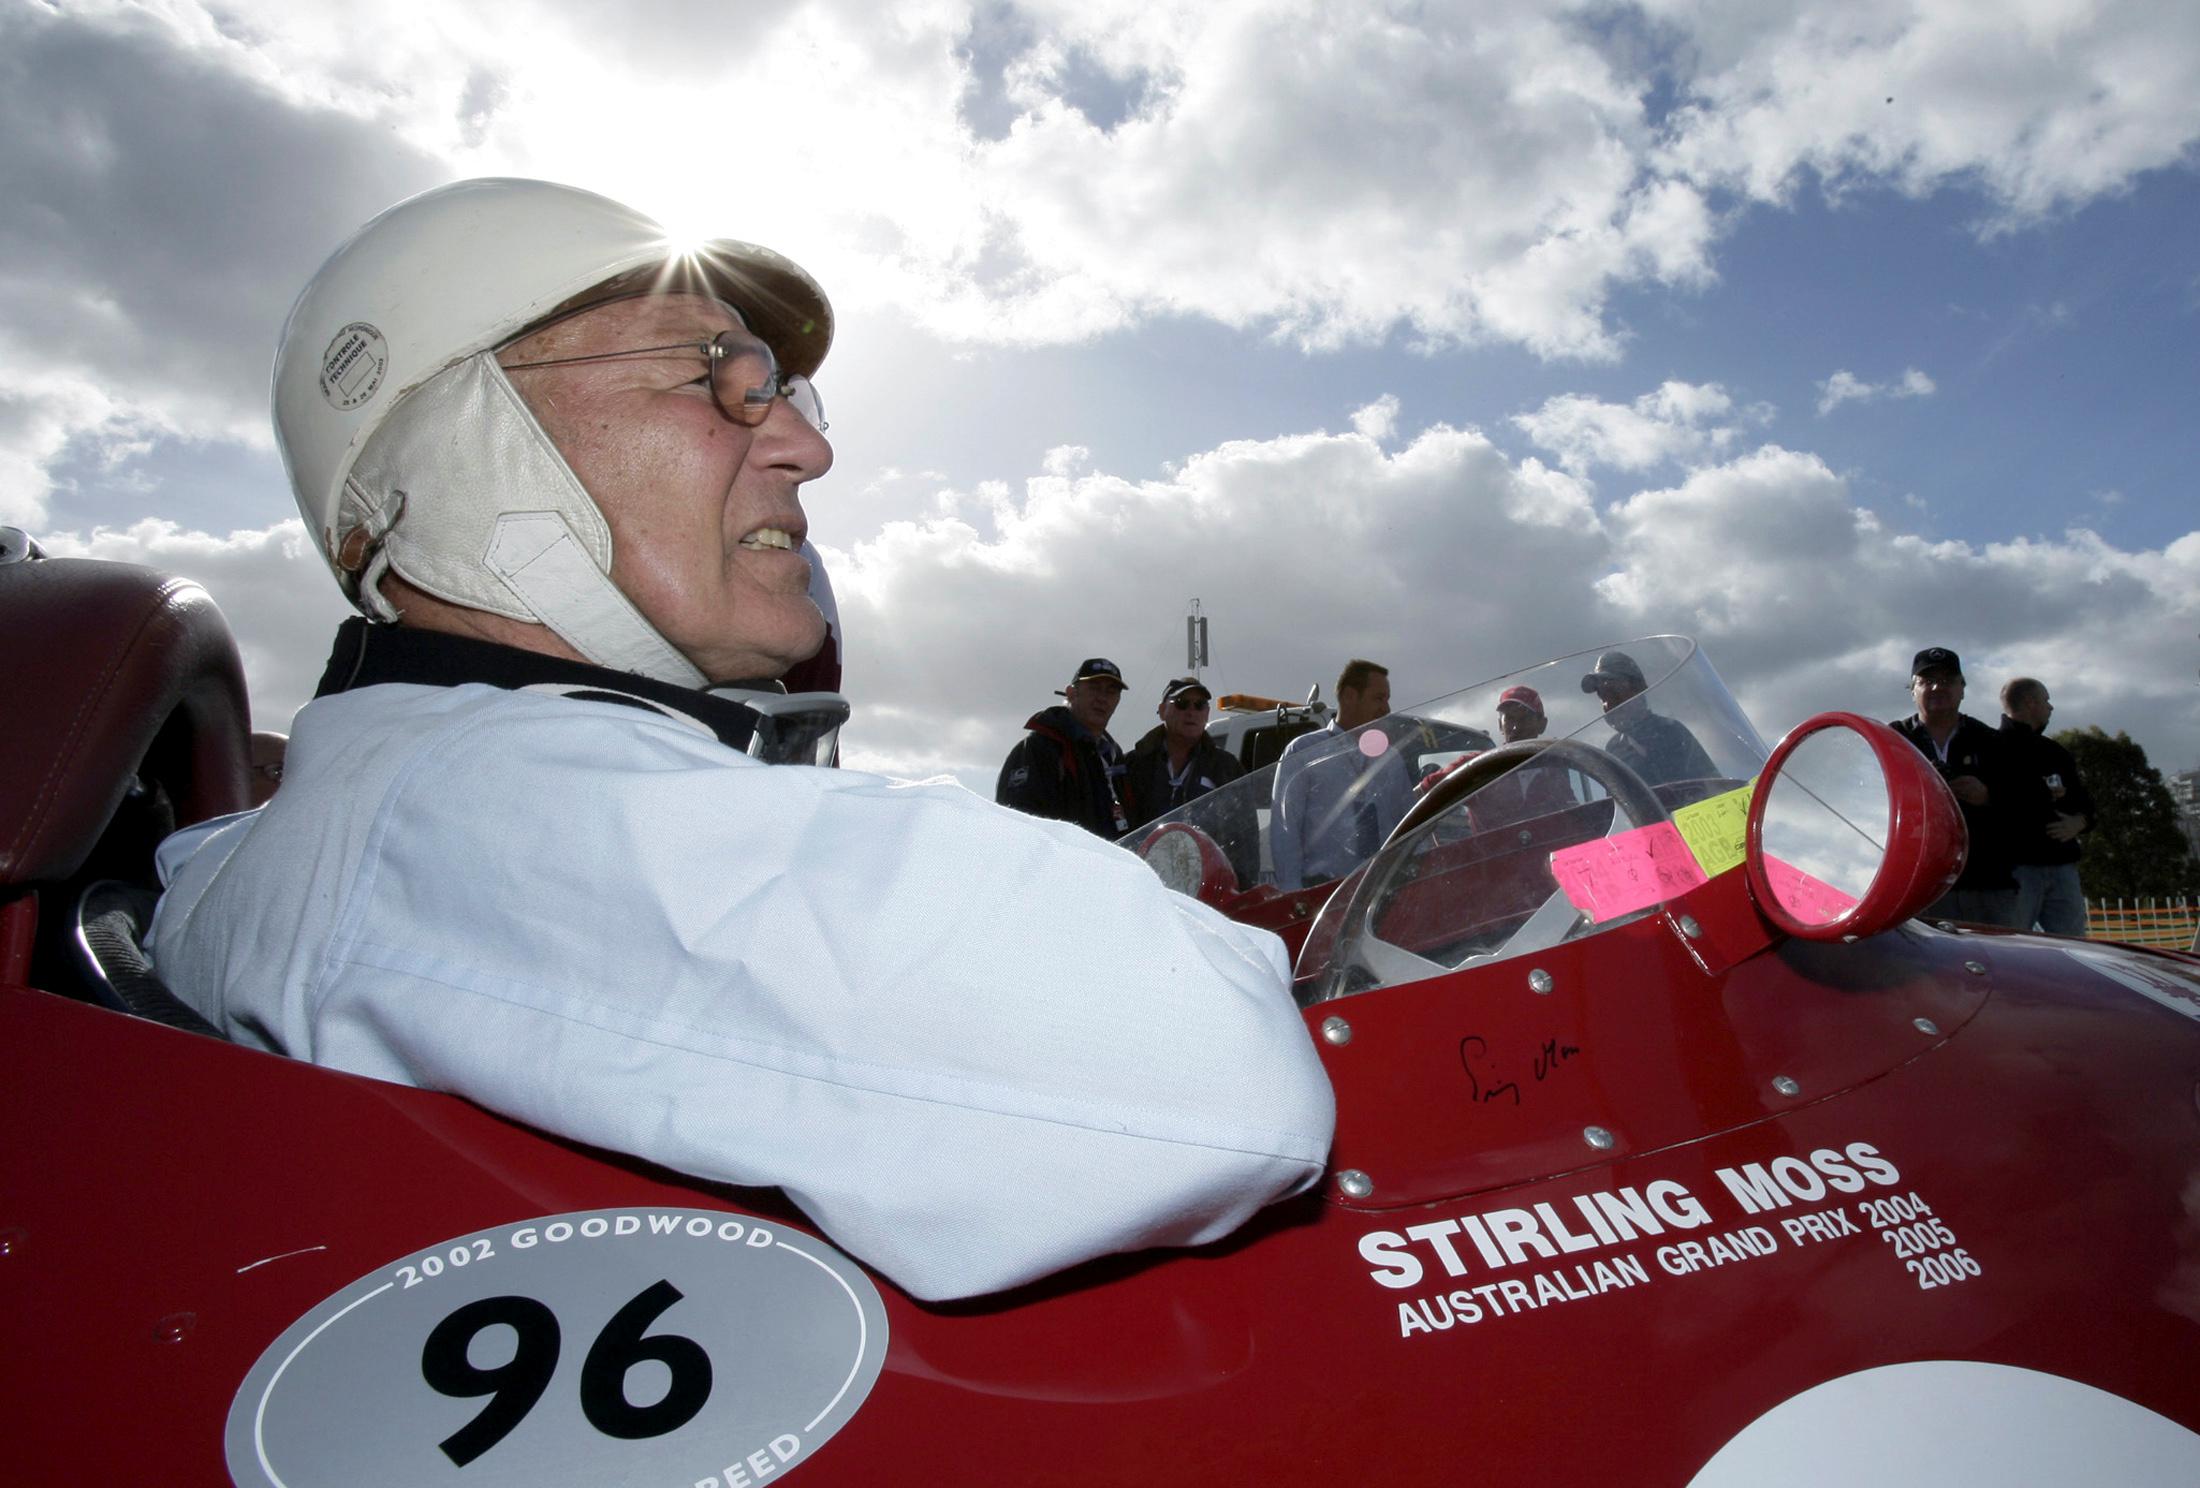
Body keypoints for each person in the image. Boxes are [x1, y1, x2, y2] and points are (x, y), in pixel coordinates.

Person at [145, 179, 1333, 1303]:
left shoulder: (323, 823)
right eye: (709, 380)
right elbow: (1207, 1080)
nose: (803, 449)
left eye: (781, 394)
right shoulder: (490, 810)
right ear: (459, 454)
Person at [1887, 647, 2030, 928]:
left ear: (1962, 689)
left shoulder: (1993, 742)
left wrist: (1988, 795)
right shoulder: (1894, 740)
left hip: (1988, 885)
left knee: (1996, 968)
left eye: (1948, 680)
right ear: (1912, 690)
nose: (1938, 687)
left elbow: (2028, 805)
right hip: (1917, 887)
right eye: (1926, 681)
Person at [1270, 659, 1414, 889]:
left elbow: (1408, 826)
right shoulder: (1304, 752)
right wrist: (1293, 896)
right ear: (1349, 696)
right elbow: (1285, 831)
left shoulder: (1390, 759)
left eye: (1387, 700)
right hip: (1322, 892)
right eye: (1378, 698)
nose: (1386, 709)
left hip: (1377, 891)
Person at [1999, 676, 2094, 936]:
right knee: (2011, 950)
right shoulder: (1992, 747)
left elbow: (2086, 804)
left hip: (2063, 869)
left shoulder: (2055, 752)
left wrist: (2080, 822)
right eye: (2046, 700)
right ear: (2030, 703)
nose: (2051, 708)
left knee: (2072, 952)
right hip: (2016, 872)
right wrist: (2042, 795)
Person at [996, 658, 1132, 837]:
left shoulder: (1113, 756)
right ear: (1071, 693)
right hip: (1056, 863)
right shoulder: (1037, 749)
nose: (1102, 698)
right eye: (1094, 688)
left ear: (1118, 700)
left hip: (1106, 862)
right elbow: (1018, 826)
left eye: (1111, 691)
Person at [1580, 650, 1717, 789]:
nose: (1609, 705)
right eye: (1603, 696)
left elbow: (1712, 787)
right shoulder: (1614, 748)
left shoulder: (1672, 732)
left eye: (1615, 694)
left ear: (1638, 691)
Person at [1123, 676, 1247, 831]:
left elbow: (1244, 830)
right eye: (1182, 704)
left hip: (1206, 855)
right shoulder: (1134, 764)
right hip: (1141, 854)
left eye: (1199, 705)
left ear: (1207, 713)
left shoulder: (1227, 767)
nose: (1191, 712)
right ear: (1162, 711)